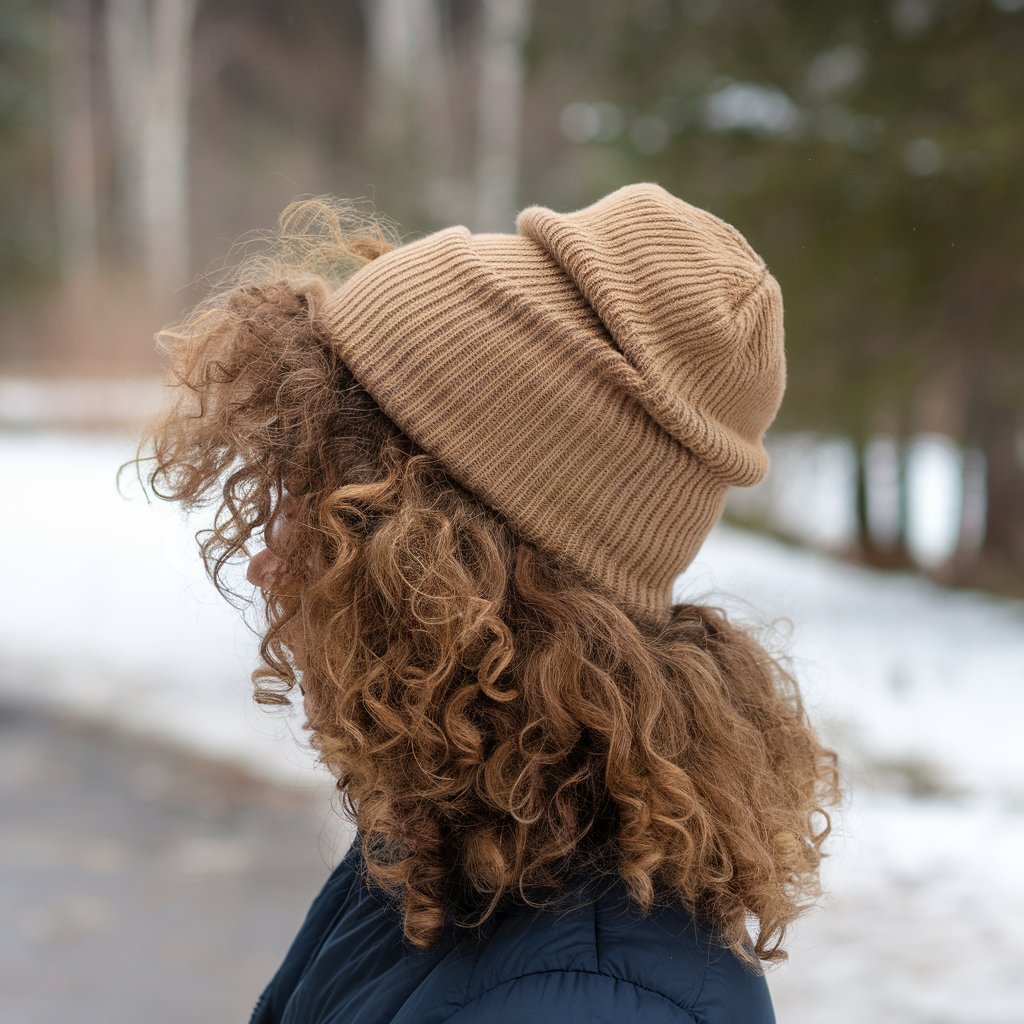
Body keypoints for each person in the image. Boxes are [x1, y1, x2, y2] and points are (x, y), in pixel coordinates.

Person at [134, 182, 840, 1023]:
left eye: (323, 512)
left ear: (442, 571)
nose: (268, 563)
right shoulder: (458, 842)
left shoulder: (591, 999)